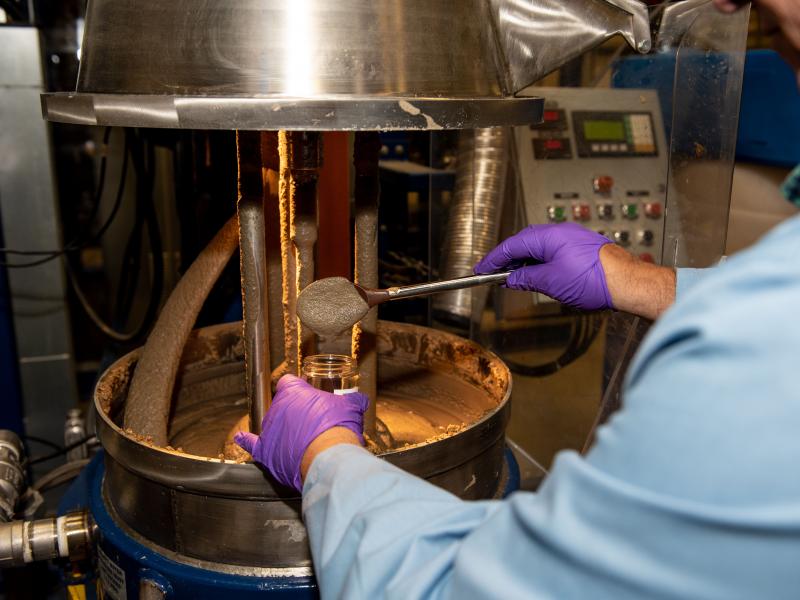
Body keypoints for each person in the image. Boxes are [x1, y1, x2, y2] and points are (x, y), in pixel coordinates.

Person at [236, 1, 800, 597]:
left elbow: (474, 587)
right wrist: (640, 281)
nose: (728, 6)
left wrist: (325, 459)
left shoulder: (744, 364)